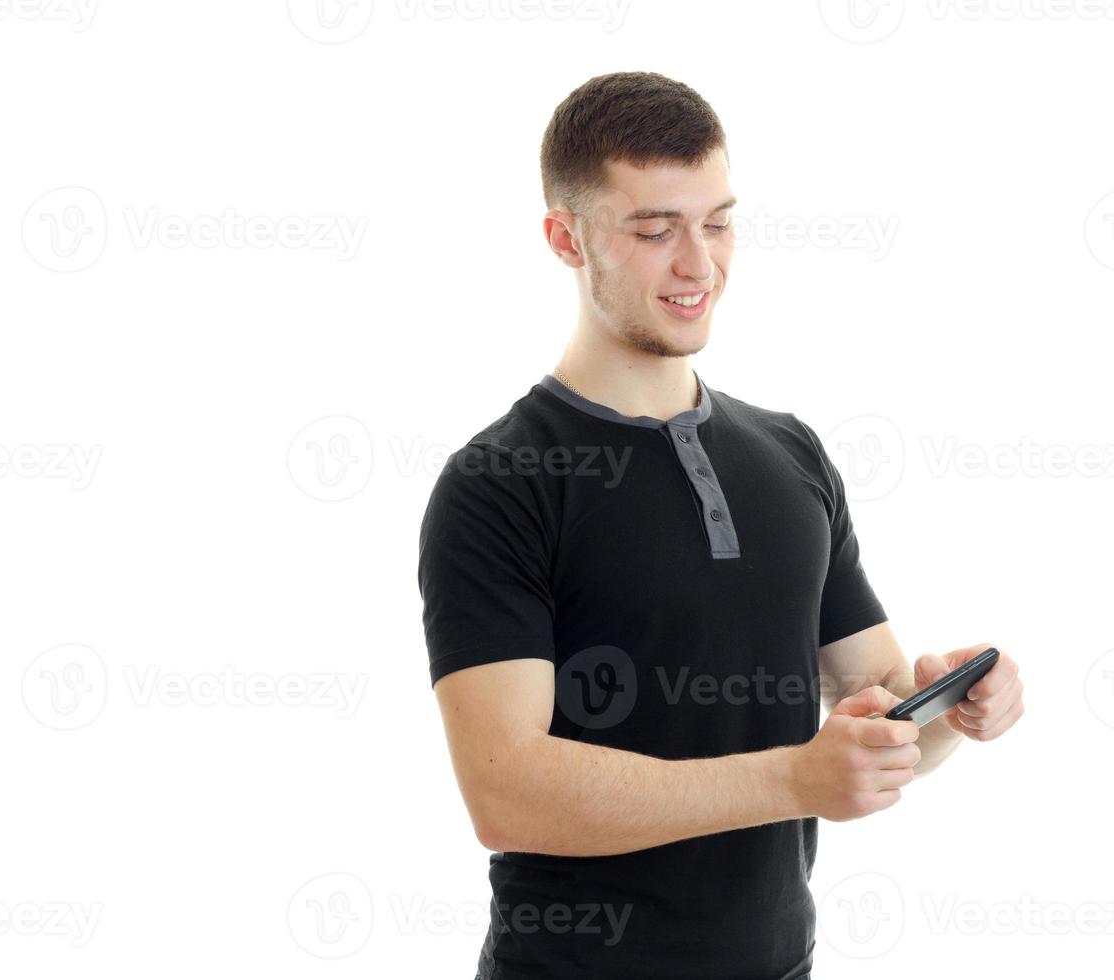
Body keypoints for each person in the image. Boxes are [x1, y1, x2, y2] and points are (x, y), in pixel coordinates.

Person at [417, 70, 1025, 980]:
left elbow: (873, 702)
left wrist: (948, 709)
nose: (699, 264)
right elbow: (505, 792)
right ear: (565, 238)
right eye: (656, 229)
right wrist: (793, 778)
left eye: (718, 221)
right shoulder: (498, 483)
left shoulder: (792, 456)